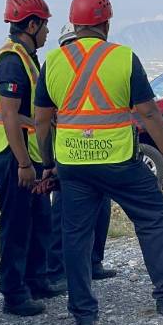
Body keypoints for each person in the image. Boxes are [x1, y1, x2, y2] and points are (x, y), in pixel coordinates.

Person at [34, 0, 163, 325]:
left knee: (75, 235)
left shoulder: (53, 62)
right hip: (118, 161)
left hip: (73, 164)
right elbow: (149, 113)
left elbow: (42, 120)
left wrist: (48, 162)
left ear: (75, 23)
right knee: (153, 217)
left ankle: (83, 313)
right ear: (105, 23)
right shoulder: (124, 58)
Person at [0, 0, 65, 316]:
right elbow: (9, 115)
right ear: (31, 24)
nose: (48, 31)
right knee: (17, 225)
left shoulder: (25, 56)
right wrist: (23, 163)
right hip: (13, 156)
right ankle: (14, 293)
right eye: (45, 24)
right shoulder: (11, 61)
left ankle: (37, 279)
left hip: (28, 155)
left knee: (39, 220)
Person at [47, 23, 117, 283]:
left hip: (97, 152)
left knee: (100, 211)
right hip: (69, 155)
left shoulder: (93, 70)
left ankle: (93, 263)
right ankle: (58, 270)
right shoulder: (58, 71)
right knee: (64, 217)